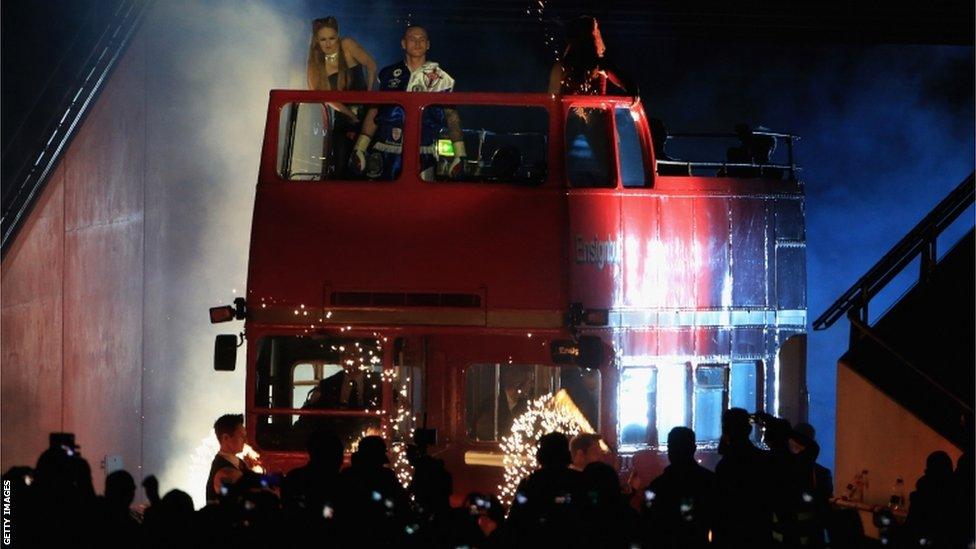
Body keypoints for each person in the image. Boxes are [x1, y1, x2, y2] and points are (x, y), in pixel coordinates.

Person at [349, 25, 465, 181]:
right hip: (385, 151)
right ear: (403, 43)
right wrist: (360, 147)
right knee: (382, 202)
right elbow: (375, 110)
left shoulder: (441, 78)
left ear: (428, 44)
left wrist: (460, 153)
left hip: (422, 153)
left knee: (419, 203)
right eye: (412, 39)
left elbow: (451, 115)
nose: (417, 43)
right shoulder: (388, 74)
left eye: (421, 39)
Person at [307, 16, 377, 179]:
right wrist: (348, 114)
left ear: (337, 36)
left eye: (332, 38)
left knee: (369, 166)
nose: (328, 43)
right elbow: (323, 96)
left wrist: (369, 93)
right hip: (342, 117)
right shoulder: (315, 63)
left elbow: (371, 65)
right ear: (316, 41)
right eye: (323, 39)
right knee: (341, 167)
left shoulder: (347, 45)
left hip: (367, 114)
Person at [641, 427, 718, 549]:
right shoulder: (710, 482)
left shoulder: (658, 486)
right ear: (693, 449)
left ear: (669, 450)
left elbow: (647, 526)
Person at [547, 16, 637, 96]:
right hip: (575, 113)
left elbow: (626, 83)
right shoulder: (561, 67)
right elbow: (553, 100)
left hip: (596, 112)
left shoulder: (600, 64)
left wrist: (632, 91)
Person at [205, 414, 250, 504]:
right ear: (226, 438)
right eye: (241, 436)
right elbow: (254, 483)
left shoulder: (240, 463)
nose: (245, 441)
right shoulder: (223, 472)